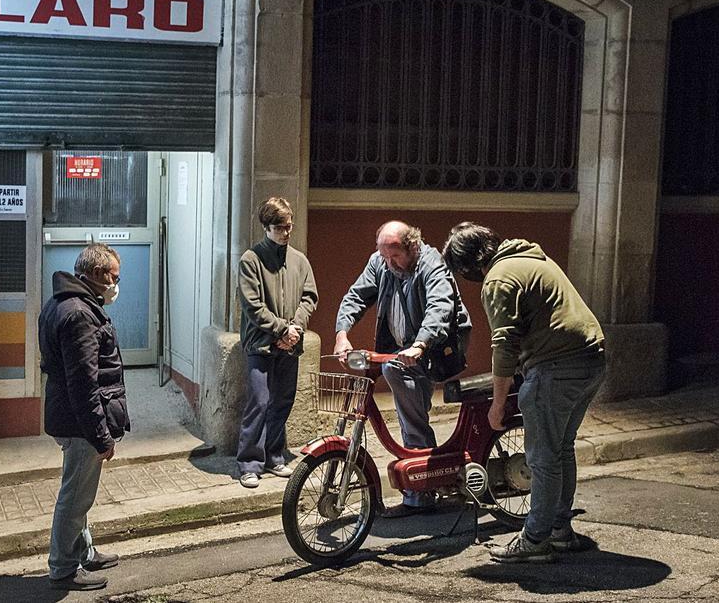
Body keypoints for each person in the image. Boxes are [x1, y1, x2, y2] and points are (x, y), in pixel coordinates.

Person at [442, 222, 605, 564]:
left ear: (469, 265)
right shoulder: (534, 259)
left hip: (555, 367)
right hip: (592, 359)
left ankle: (534, 539)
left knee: (543, 458)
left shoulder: (499, 278)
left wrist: (497, 404)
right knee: (561, 449)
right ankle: (559, 532)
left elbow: (504, 344)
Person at [334, 221, 471, 516]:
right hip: (399, 352)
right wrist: (342, 334)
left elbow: (440, 307)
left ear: (412, 246)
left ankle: (422, 489)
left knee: (406, 403)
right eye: (383, 255)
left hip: (433, 350)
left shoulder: (432, 264)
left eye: (394, 256)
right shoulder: (381, 262)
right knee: (398, 386)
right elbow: (356, 296)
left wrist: (420, 344)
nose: (388, 262)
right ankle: (424, 480)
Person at [39, 243, 130, 591]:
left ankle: (84, 552)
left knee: (79, 493)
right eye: (114, 277)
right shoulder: (79, 314)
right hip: (80, 422)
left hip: (70, 416)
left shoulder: (64, 303)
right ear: (96, 275)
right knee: (75, 498)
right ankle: (62, 568)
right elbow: (83, 382)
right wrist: (101, 434)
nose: (116, 285)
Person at [236, 197, 319, 489]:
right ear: (266, 227)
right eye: (280, 227)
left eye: (289, 226)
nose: (286, 232)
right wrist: (282, 330)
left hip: (290, 342)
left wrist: (295, 328)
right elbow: (253, 306)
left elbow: (309, 297)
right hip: (261, 343)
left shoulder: (299, 260)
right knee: (259, 400)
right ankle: (249, 462)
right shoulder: (251, 260)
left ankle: (274, 454)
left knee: (283, 399)